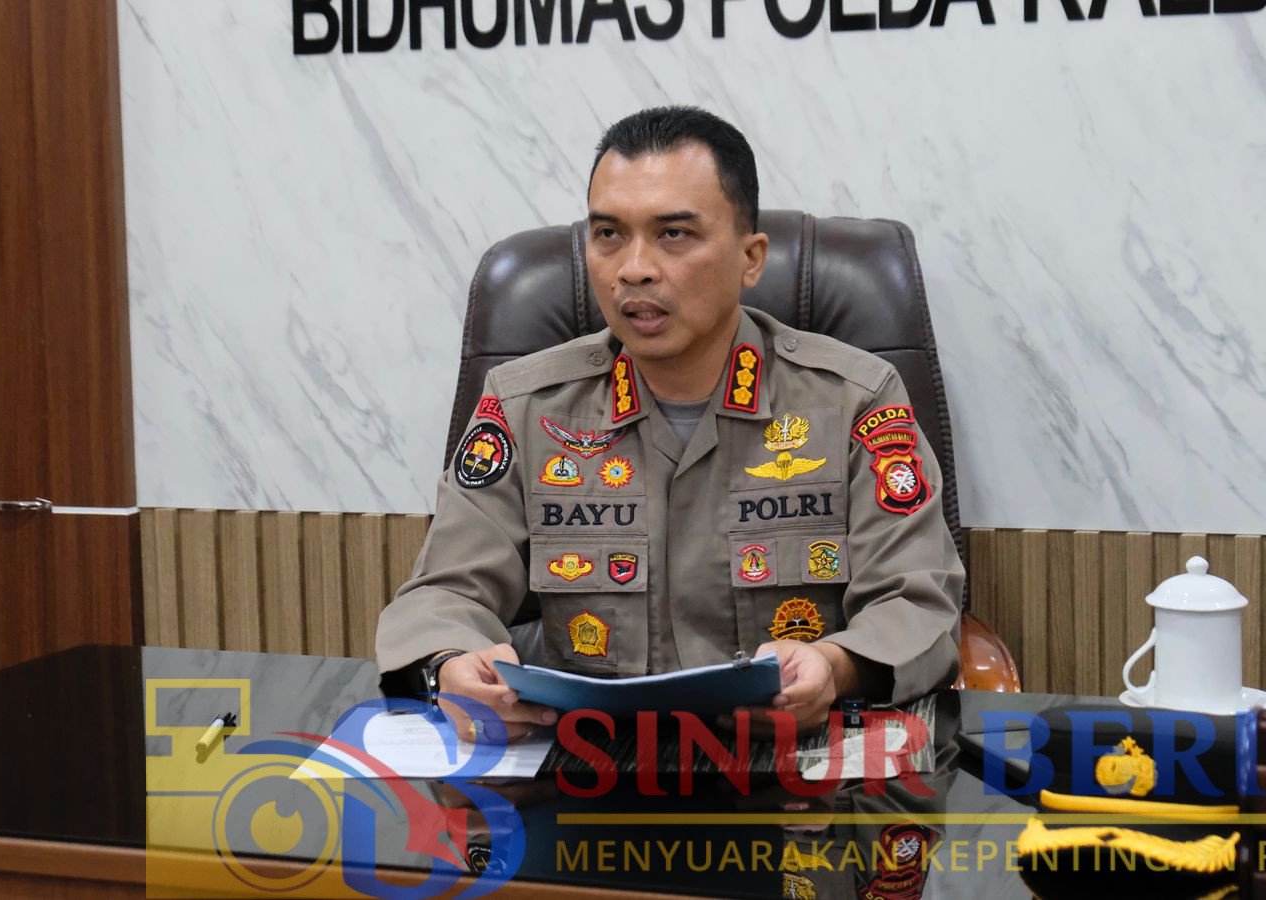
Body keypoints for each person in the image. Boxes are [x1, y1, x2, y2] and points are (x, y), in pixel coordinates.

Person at [376, 106, 964, 742]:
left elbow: (917, 602)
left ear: (751, 258)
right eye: (608, 234)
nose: (634, 268)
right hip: (585, 763)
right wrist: (450, 666)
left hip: (790, 762)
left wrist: (836, 666)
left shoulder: (854, 400)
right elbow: (443, 594)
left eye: (674, 234)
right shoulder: (525, 406)